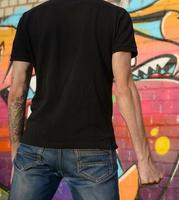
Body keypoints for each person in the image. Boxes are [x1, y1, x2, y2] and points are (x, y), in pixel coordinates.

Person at [7, 0, 163, 199]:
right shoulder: (115, 17)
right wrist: (144, 159)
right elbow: (125, 89)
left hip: (36, 147)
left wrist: (16, 150)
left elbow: (17, 92)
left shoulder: (30, 19)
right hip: (92, 150)